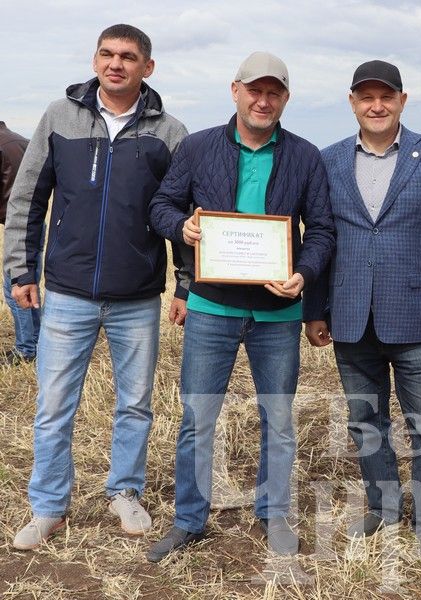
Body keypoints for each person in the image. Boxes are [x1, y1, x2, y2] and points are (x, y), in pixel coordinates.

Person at [3, 24, 188, 550]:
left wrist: (185, 282)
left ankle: (125, 492)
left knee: (134, 403)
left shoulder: (169, 133)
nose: (116, 64)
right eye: (107, 54)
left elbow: (181, 212)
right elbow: (28, 200)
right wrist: (21, 271)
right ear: (95, 60)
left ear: (146, 67)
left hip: (137, 297)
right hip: (66, 290)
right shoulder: (59, 118)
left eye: (128, 57)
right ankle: (47, 507)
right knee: (54, 403)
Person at [146, 51, 335, 563]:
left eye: (274, 92)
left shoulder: (304, 155)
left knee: (278, 418)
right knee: (197, 417)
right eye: (255, 90)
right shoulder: (198, 146)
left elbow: (320, 230)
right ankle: (189, 519)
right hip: (211, 307)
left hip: (278, 314)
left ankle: (273, 513)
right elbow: (161, 204)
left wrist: (305, 273)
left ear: (286, 99)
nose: (263, 100)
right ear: (235, 91)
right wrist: (179, 227)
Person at [303, 60, 421, 563]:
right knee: (365, 422)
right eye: (366, 97)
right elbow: (318, 238)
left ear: (402, 100)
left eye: (386, 96)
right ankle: (382, 506)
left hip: (420, 317)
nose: (376, 106)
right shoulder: (328, 160)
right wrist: (316, 309)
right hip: (350, 319)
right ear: (352, 102)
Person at [0, 121, 42, 363]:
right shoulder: (17, 140)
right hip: (28, 223)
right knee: (26, 284)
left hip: (22, 225)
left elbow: (16, 196)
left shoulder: (5, 145)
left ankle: (27, 349)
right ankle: (36, 342)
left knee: (17, 287)